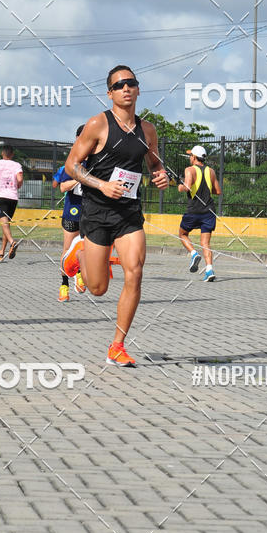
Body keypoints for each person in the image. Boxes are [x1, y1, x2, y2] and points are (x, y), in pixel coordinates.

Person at [61, 64, 169, 366]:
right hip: (96, 211)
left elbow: (155, 165)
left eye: (131, 83)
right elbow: (72, 166)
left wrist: (161, 177)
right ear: (110, 93)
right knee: (97, 289)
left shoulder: (148, 130)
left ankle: (117, 345)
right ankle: (80, 253)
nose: (126, 88)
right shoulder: (97, 124)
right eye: (119, 85)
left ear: (137, 89)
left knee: (134, 271)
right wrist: (102, 185)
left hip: (129, 213)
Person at [177, 146, 221, 281]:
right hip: (209, 211)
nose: (190, 158)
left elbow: (187, 187)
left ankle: (194, 253)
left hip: (193, 210)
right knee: (205, 243)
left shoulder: (189, 170)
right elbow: (217, 191)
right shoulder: (211, 171)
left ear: (195, 157)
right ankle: (209, 270)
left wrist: (180, 186)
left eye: (191, 156)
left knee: (182, 234)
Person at [53, 125, 86, 301]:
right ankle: (64, 284)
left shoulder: (99, 160)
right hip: (72, 212)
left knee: (87, 249)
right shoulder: (72, 162)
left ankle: (80, 274)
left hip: (91, 212)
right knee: (67, 249)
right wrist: (81, 177)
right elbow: (63, 187)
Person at [0, 145, 23, 261]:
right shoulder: (16, 165)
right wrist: (17, 186)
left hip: (1, 196)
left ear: (2, 153)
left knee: (4, 222)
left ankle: (12, 242)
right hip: (13, 197)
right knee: (6, 224)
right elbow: (20, 179)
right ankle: (2, 252)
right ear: (12, 154)